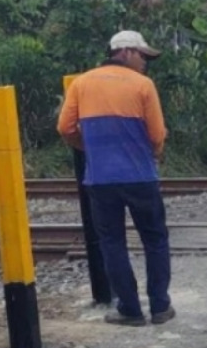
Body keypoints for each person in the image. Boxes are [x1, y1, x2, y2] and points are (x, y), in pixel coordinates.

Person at [57, 30, 175, 327]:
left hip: (100, 179)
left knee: (112, 243)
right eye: (142, 55)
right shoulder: (143, 86)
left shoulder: (82, 83)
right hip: (141, 177)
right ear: (124, 52)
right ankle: (160, 306)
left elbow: (65, 127)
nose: (145, 62)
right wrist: (155, 152)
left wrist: (88, 147)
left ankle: (130, 309)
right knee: (155, 240)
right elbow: (157, 134)